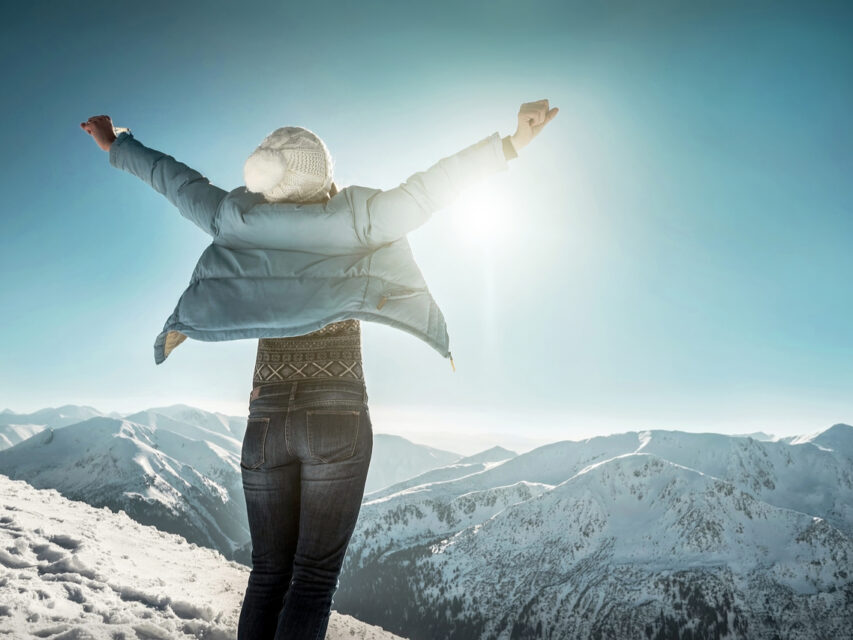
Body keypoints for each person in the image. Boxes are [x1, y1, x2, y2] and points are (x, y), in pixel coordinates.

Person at [80, 99, 558, 639]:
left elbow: (175, 181)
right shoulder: (357, 219)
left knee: (268, 574)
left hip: (267, 418)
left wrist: (117, 143)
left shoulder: (235, 218)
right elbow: (430, 188)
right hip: (338, 412)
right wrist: (510, 143)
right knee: (311, 580)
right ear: (322, 174)